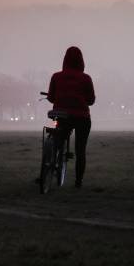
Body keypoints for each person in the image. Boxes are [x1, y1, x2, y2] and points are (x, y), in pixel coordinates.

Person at [46, 45, 95, 188]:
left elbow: (51, 98)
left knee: (58, 141)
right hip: (81, 117)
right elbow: (91, 100)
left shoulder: (56, 76)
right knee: (80, 150)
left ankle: (52, 162)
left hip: (62, 116)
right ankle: (78, 182)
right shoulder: (86, 78)